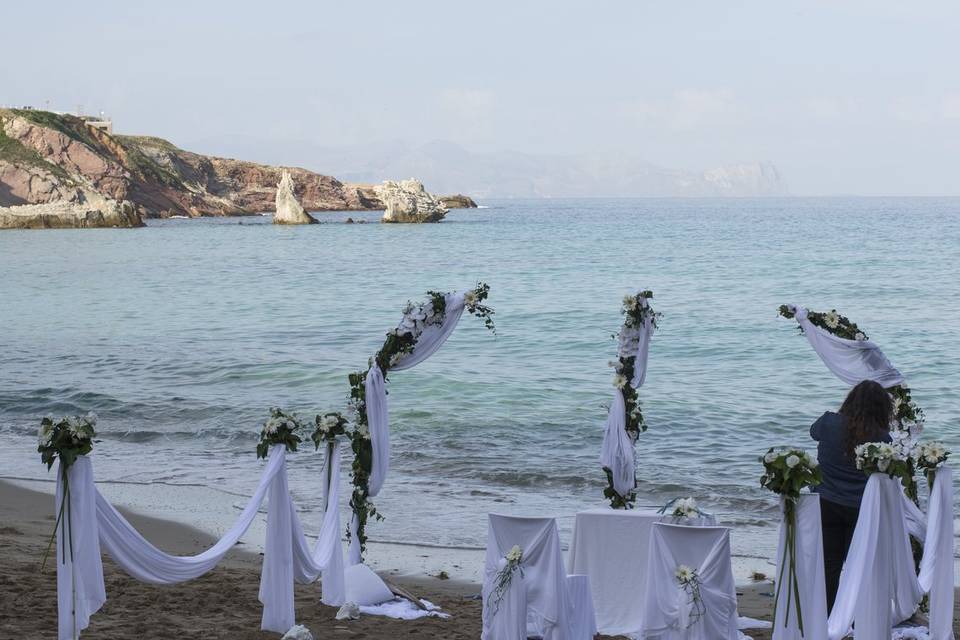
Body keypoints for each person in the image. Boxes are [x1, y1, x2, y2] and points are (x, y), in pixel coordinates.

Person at [810, 379, 893, 612]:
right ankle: (855, 616)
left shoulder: (828, 422)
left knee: (829, 564)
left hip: (826, 500)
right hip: (860, 506)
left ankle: (827, 616)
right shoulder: (882, 437)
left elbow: (813, 433)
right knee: (857, 563)